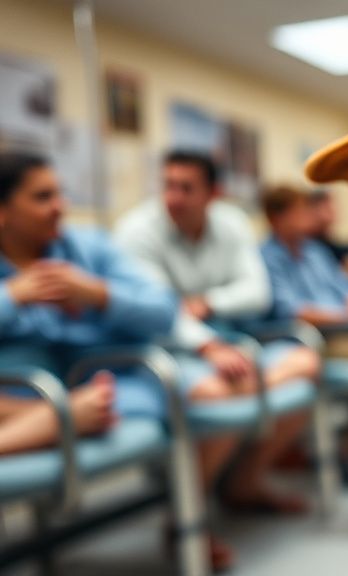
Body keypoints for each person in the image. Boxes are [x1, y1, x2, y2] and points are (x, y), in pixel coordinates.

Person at [114, 151, 319, 571]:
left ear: (214, 193)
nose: (173, 197)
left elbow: (255, 292)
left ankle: (244, 484)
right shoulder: (135, 232)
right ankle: (186, 516)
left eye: (186, 188)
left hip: (225, 341)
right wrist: (208, 346)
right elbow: (159, 313)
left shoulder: (230, 224)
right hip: (160, 350)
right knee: (215, 394)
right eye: (168, 185)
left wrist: (206, 304)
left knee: (307, 363)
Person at [0, 151, 175, 454]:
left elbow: (164, 311)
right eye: (43, 197)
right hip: (24, 393)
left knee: (125, 397)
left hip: (104, 386)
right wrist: (12, 296)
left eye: (60, 193)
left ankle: (55, 416)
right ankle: (59, 415)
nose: (60, 207)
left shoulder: (90, 248)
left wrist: (97, 294)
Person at [260, 185, 348, 486]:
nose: (308, 216)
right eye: (299, 210)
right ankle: (344, 453)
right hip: (304, 338)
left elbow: (345, 292)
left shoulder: (314, 252)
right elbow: (292, 311)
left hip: (342, 331)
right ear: (276, 218)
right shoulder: (268, 256)